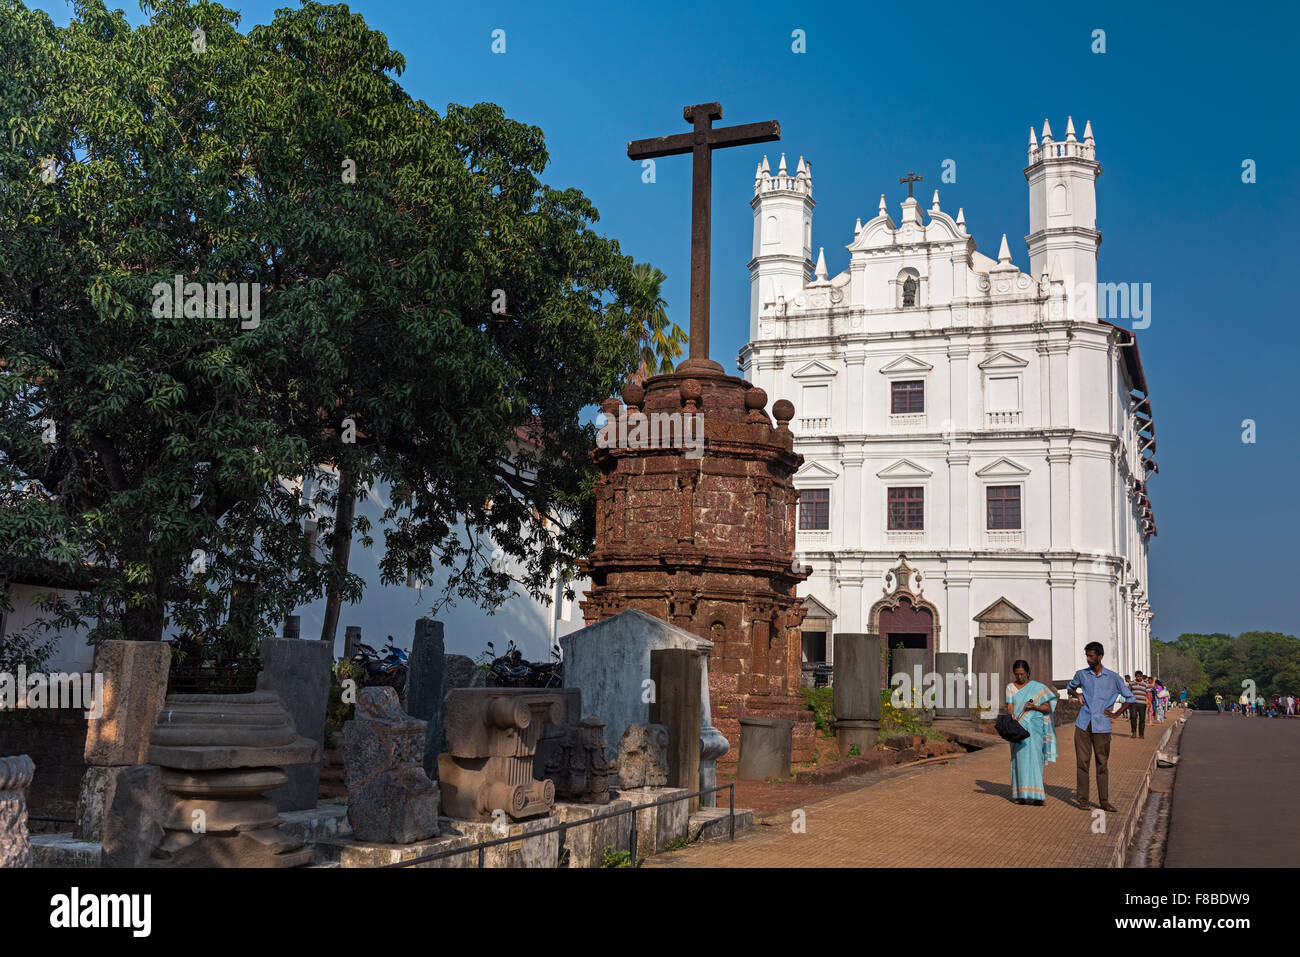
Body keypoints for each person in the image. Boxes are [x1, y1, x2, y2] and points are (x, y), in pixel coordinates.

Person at [1066, 642, 1135, 812]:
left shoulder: (1113, 678)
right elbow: (1070, 687)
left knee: (1102, 763)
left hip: (1102, 726)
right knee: (1082, 762)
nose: (1088, 659)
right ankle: (1083, 800)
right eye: (1087, 656)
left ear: (1100, 656)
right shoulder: (1081, 675)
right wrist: (1077, 694)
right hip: (1083, 724)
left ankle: (1104, 801)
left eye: (1091, 656)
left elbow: (1130, 698)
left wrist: (1116, 714)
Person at [1006, 659, 1057, 806]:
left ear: (1028, 672)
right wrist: (1012, 716)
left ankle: (1037, 796)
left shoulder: (1038, 688)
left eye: (1022, 674)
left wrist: (1035, 707)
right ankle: (1020, 795)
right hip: (1017, 728)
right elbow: (1010, 706)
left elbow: (1048, 707)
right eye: (1017, 675)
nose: (1020, 677)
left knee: (1035, 759)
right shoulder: (1010, 687)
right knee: (1018, 760)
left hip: (1034, 728)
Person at [1129, 671, 1151, 738]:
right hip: (1133, 704)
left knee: (1142, 719)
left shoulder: (1145, 684)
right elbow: (1128, 692)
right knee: (1133, 717)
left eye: (1140, 676)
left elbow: (1148, 693)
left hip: (1142, 704)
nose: (1139, 678)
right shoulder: (1131, 683)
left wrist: (1149, 701)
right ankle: (1134, 732)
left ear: (1142, 676)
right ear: (1135, 676)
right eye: (1137, 676)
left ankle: (1141, 734)